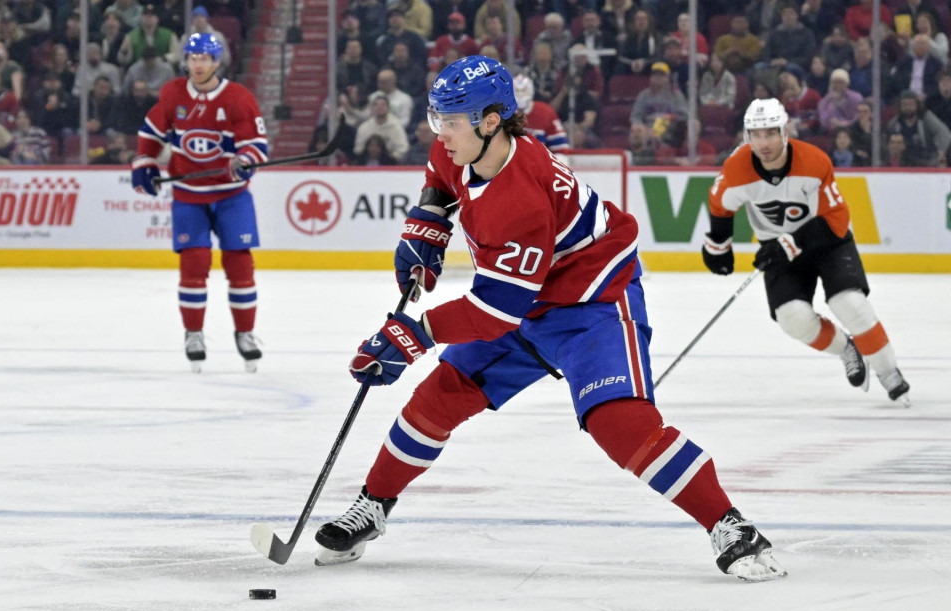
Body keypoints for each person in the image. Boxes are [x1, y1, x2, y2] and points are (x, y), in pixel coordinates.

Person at [313, 55, 788, 583]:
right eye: (436, 118)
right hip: (529, 300)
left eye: (449, 120)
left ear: (490, 120)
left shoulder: (518, 199)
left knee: (618, 423)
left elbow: (496, 311)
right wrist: (426, 223)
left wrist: (415, 333)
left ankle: (728, 524)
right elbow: (441, 181)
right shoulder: (463, 144)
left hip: (593, 302)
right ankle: (373, 505)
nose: (439, 132)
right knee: (437, 399)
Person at [702, 98, 910, 405]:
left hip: (827, 243)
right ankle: (846, 349)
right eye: (756, 135)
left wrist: (789, 242)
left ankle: (888, 370)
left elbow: (837, 221)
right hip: (778, 249)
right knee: (791, 317)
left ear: (785, 131)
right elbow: (720, 205)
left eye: (770, 133)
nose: (763, 143)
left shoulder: (814, 161)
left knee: (849, 304)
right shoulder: (737, 168)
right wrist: (718, 247)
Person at [131, 33, 269, 372]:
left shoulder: (238, 97)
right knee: (194, 263)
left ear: (217, 61)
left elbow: (257, 145)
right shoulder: (173, 93)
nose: (198, 64)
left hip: (231, 195)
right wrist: (144, 163)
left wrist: (244, 160)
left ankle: (245, 334)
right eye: (193, 58)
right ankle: (193, 333)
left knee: (240, 264)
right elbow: (151, 132)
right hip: (188, 196)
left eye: (204, 58)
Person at [513, 74, 568, 153]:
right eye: (517, 91)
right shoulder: (501, 113)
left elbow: (561, 148)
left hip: (537, 162)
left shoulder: (546, 112)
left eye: (523, 90)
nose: (520, 94)